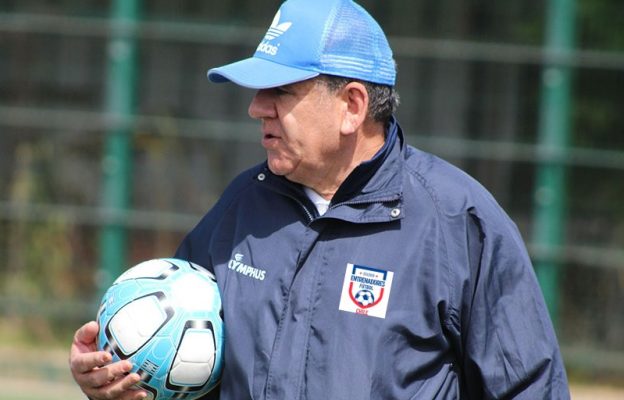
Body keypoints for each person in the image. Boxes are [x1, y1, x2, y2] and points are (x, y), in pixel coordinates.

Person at [70, 0, 570, 398]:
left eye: (280, 92)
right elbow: (184, 365)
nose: (255, 108)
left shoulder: (458, 221)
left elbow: (530, 388)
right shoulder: (242, 205)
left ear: (351, 105)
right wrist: (117, 380)